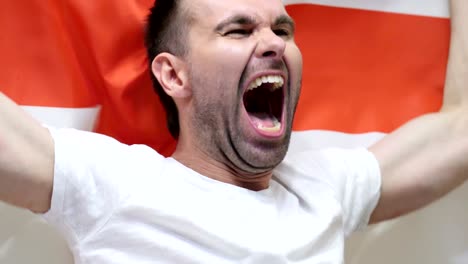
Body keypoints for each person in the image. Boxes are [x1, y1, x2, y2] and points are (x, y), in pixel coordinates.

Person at [0, 0, 467, 263]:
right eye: (238, 31)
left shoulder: (323, 189)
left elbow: (460, 128)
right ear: (173, 76)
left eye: (283, 31)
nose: (273, 44)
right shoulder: (112, 182)